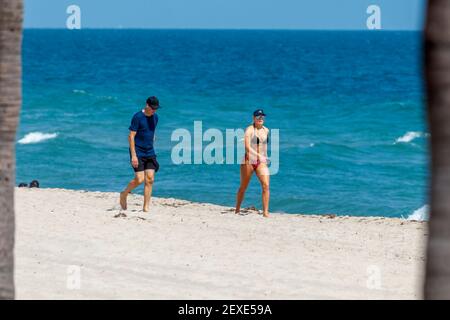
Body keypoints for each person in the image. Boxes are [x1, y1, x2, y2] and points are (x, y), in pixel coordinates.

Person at [120, 96, 160, 212]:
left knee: (150, 179)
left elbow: (152, 131)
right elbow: (131, 136)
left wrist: (152, 138)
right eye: (152, 108)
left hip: (149, 151)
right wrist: (133, 155)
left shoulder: (155, 117)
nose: (154, 110)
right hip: (138, 151)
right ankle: (124, 193)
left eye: (156, 108)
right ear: (147, 105)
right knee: (139, 179)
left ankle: (146, 208)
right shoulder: (137, 117)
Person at [235, 109, 270, 218]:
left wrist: (265, 156)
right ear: (253, 118)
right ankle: (237, 209)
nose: (260, 118)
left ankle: (265, 212)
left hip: (260, 162)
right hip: (248, 160)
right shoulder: (249, 130)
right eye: (258, 117)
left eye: (262, 117)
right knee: (243, 187)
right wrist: (259, 156)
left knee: (266, 185)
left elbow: (264, 146)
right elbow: (247, 147)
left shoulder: (266, 130)